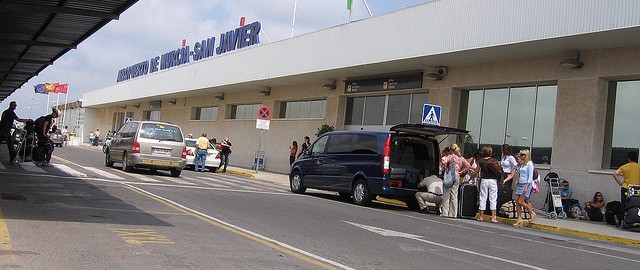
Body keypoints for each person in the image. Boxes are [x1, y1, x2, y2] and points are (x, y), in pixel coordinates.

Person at [440, 143, 471, 218]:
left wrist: (446, 169)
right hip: (457, 176)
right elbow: (468, 166)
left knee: (446, 195)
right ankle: (453, 213)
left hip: (449, 176)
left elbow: (443, 162)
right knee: (454, 195)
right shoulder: (461, 158)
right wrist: (461, 172)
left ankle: (445, 212)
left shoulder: (450, 157)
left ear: (451, 150)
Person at [613, 151, 640, 227]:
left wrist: (621, 183)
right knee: (636, 204)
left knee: (624, 204)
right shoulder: (639, 167)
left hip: (626, 187)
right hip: (636, 189)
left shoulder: (624, 166)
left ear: (628, 158)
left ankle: (622, 220)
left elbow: (615, 175)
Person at [477, 146, 503, 223]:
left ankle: (481, 216)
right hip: (492, 180)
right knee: (493, 197)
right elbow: (498, 172)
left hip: (484, 180)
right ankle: (493, 217)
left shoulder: (481, 161)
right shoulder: (493, 161)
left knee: (483, 197)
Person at [513, 149, 537, 227]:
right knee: (517, 201)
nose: (521, 156)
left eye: (523, 154)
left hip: (526, 184)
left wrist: (526, 186)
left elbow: (530, 177)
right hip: (520, 183)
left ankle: (532, 212)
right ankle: (519, 218)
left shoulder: (529, 164)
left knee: (521, 201)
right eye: (521, 154)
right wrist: (518, 180)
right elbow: (521, 174)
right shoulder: (522, 164)